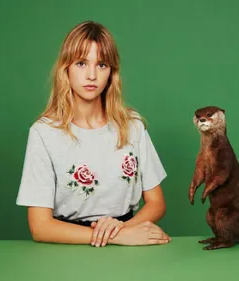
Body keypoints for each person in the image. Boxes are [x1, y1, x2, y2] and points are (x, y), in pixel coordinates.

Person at [15, 20, 171, 247]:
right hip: (68, 248)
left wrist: (124, 230)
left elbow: (156, 203)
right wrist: (116, 237)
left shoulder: (132, 126)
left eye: (101, 65)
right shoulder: (44, 133)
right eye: (81, 63)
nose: (91, 75)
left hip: (128, 241)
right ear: (65, 69)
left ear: (111, 73)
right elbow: (40, 227)